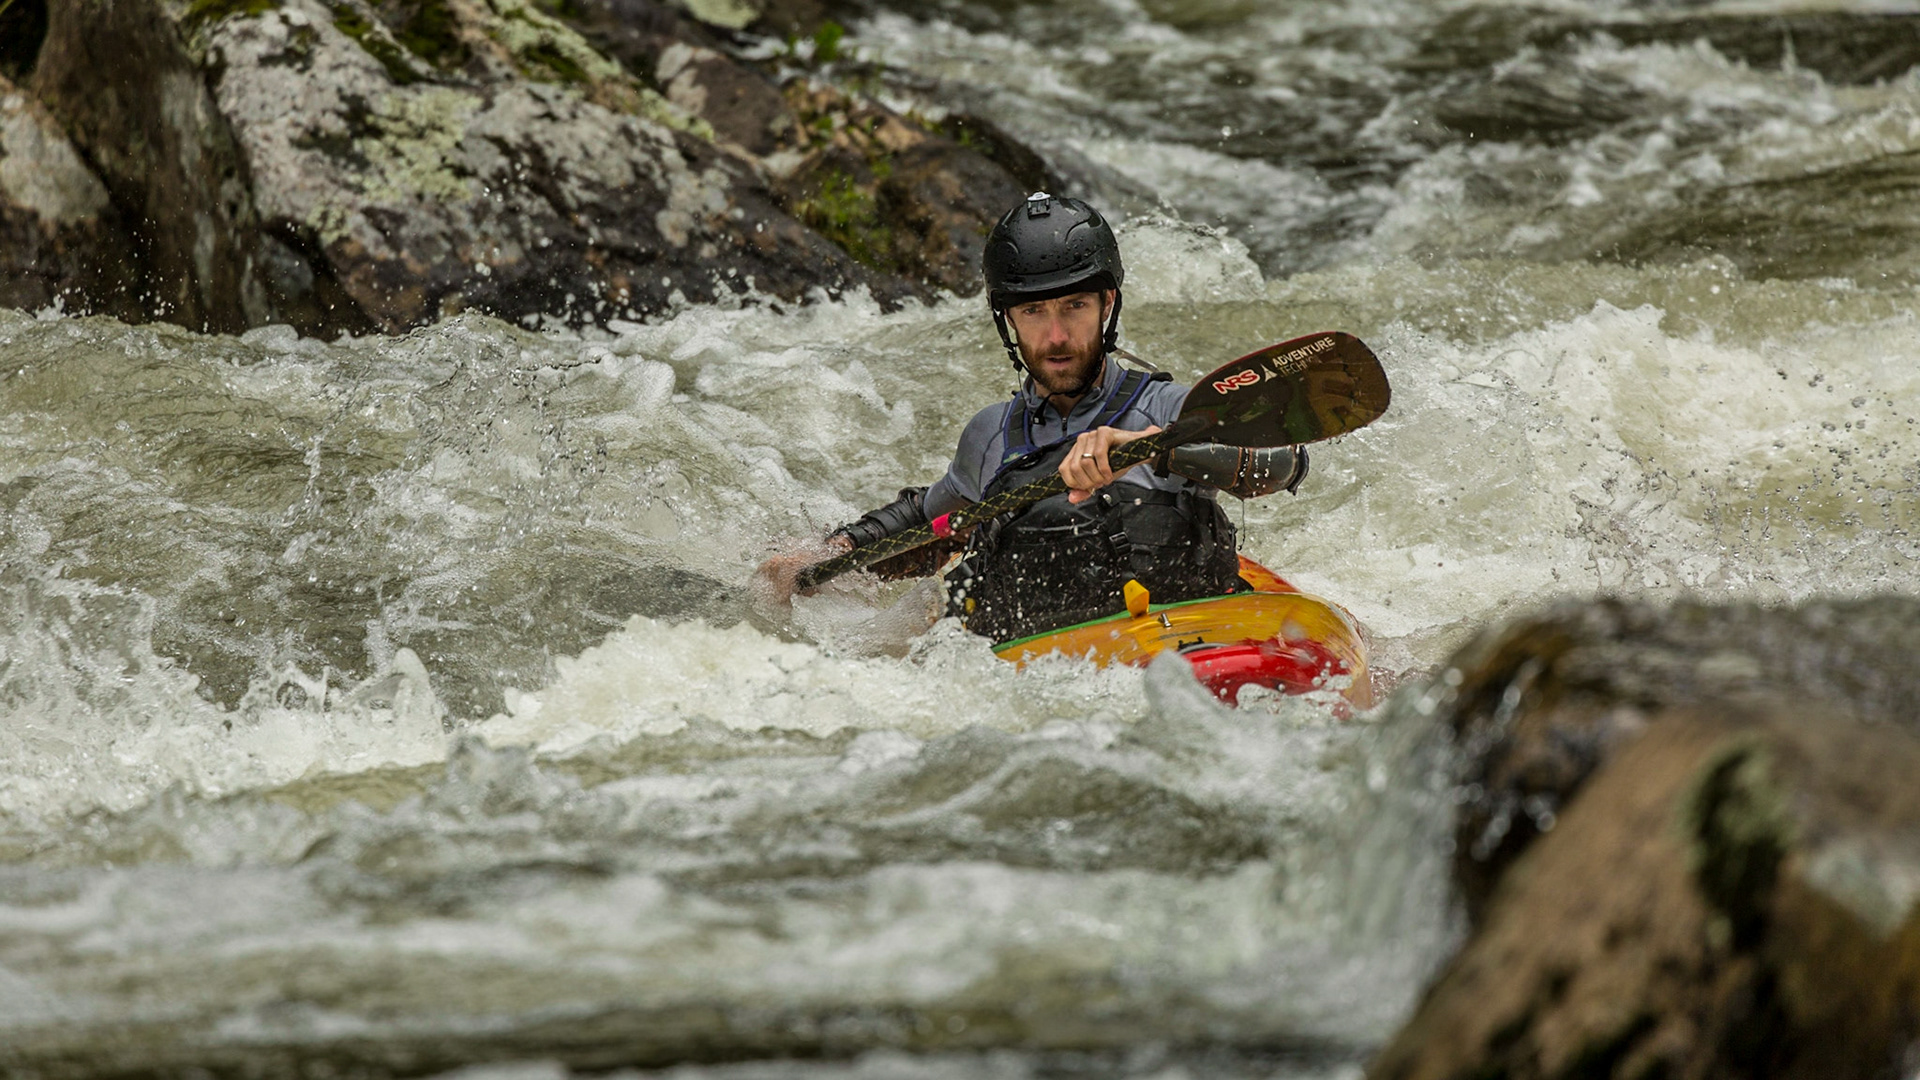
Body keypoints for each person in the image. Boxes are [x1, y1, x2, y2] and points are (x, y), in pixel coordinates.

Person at [764, 192, 1309, 643]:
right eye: (1033, 312)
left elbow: (1282, 462)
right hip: (1043, 670)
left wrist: (1157, 446)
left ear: (1107, 305)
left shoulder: (1170, 410)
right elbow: (930, 524)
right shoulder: (990, 436)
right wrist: (830, 555)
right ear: (1008, 321)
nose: (1055, 337)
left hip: (1180, 643)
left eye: (1074, 307)